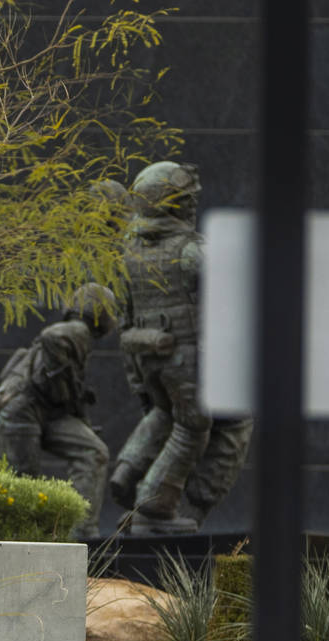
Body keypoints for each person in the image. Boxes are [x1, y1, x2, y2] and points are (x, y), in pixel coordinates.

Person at [109, 161, 211, 535]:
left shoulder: (130, 250)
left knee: (164, 413)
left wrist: (137, 374)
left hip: (146, 355)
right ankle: (154, 503)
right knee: (194, 425)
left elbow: (125, 314)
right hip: (182, 355)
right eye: (186, 200)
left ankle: (127, 468)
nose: (192, 206)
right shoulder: (191, 251)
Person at [0, 284, 117, 540]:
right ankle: (24, 546)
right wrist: (61, 366)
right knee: (23, 487)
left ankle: (81, 532)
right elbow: (52, 336)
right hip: (22, 411)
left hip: (43, 412)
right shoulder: (78, 330)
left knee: (93, 452)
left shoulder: (80, 337)